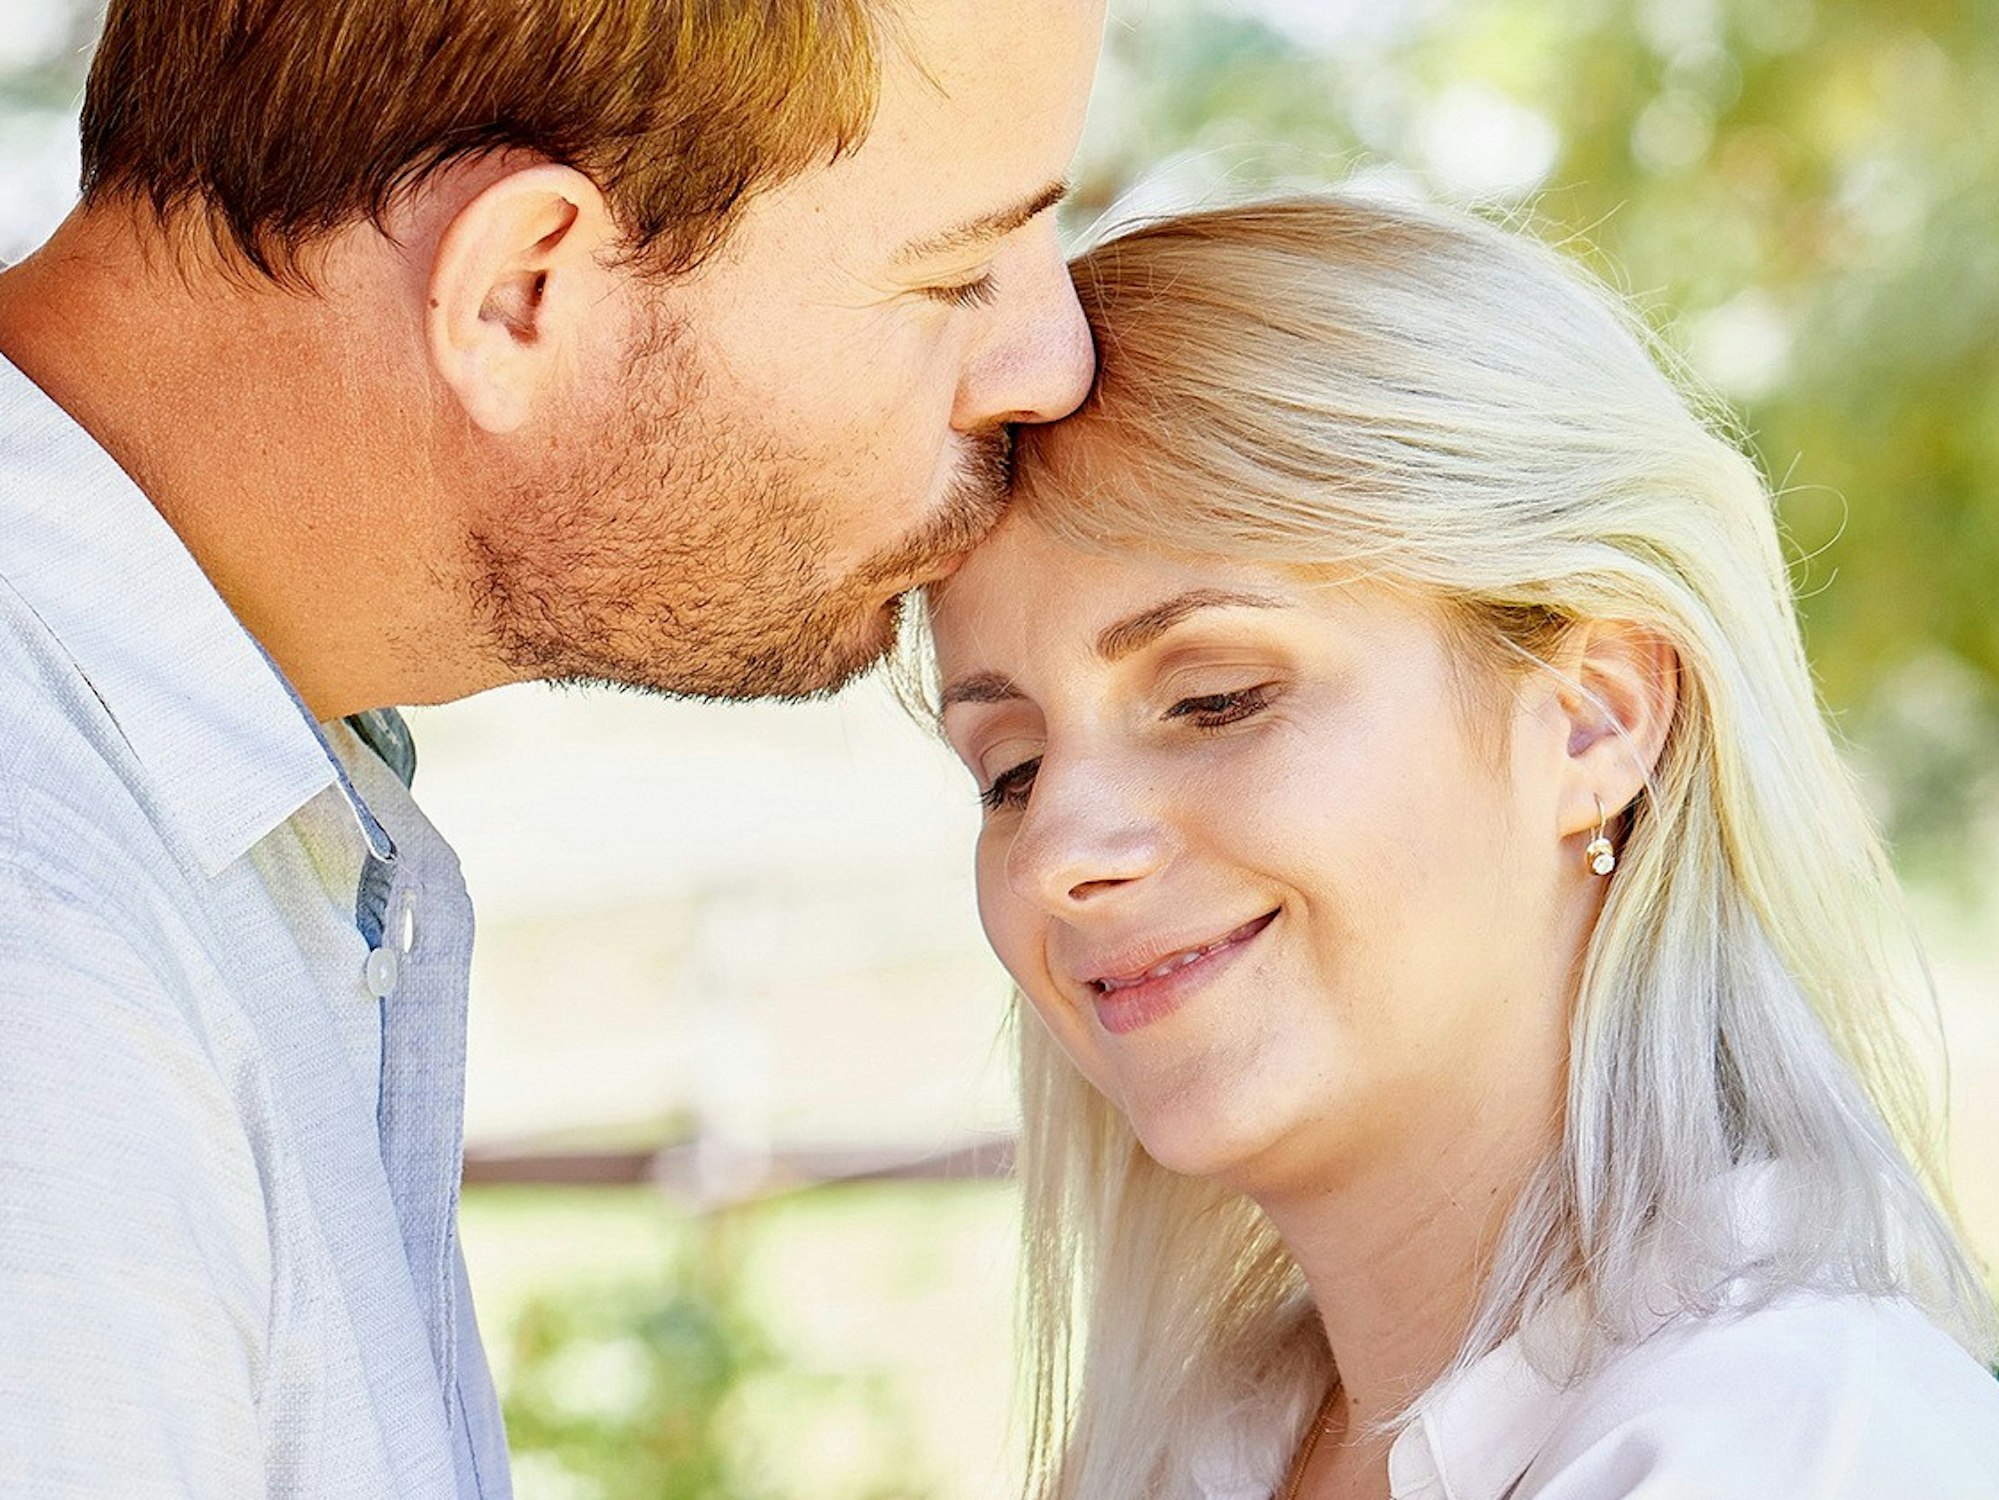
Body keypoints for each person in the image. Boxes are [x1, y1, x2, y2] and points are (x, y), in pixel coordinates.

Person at [0, 1, 1103, 1494]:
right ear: (519, 292)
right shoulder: (47, 982)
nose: (1054, 366)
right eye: (958, 272)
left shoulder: (205, 789)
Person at [927, 195, 1999, 1499]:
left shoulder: (1790, 1445)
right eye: (1012, 770)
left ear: (1595, 718)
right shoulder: (1193, 1451)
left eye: (1215, 698)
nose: (1057, 851)